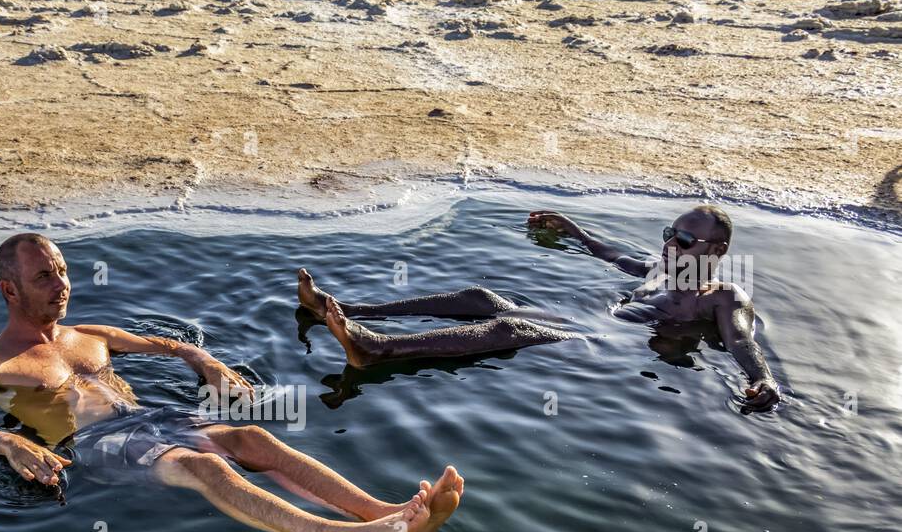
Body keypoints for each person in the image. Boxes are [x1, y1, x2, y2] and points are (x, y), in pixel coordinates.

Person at [0, 233, 463, 532]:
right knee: (206, 466)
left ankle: (390, 520)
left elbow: (166, 344)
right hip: (94, 445)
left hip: (148, 420)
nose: (62, 284)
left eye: (63, 269)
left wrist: (201, 359)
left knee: (255, 439)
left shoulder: (88, 335)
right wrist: (5, 440)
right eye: (43, 276)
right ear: (10, 289)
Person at [297, 204, 780, 412]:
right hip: (597, 320)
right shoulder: (659, 269)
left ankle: (375, 349)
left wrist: (762, 378)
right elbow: (610, 253)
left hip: (612, 343)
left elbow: (740, 340)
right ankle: (349, 308)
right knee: (480, 298)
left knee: (508, 324)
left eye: (685, 239)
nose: (672, 243)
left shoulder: (721, 296)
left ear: (714, 251)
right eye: (670, 233)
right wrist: (571, 228)